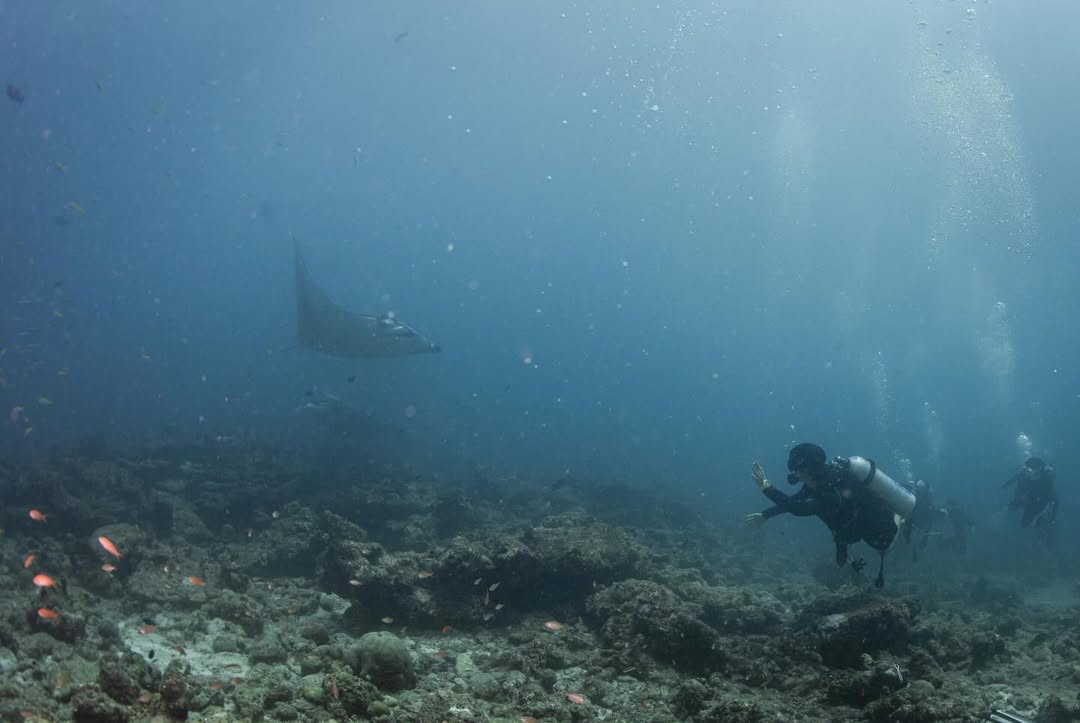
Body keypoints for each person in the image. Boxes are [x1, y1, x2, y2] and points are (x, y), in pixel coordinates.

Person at [746, 442, 911, 587]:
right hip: (852, 530)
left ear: (806, 469)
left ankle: (900, 518)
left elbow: (799, 509)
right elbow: (793, 501)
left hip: (881, 529)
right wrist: (766, 515)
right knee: (844, 559)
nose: (793, 474)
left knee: (884, 546)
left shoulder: (831, 491)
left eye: (795, 469)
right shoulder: (815, 483)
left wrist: (765, 487)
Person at [1003, 457, 1058, 528]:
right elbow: (1014, 478)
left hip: (1039, 503)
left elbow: (1056, 501)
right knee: (1011, 508)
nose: (1026, 473)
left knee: (1025, 524)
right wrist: (1004, 487)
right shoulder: (1024, 475)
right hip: (1027, 497)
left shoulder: (1047, 482)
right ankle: (1015, 508)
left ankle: (1039, 522)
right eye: (1025, 469)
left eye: (1029, 470)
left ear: (1039, 470)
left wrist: (1053, 518)